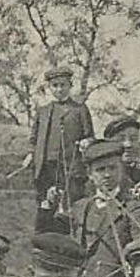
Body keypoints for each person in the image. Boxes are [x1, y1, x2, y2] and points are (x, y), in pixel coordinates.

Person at [67, 139, 133, 277]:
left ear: (122, 170)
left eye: (112, 168)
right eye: (100, 170)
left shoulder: (132, 207)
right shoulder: (79, 208)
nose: (107, 175)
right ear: (90, 174)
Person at [24, 67, 94, 228]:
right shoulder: (43, 111)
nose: (59, 89)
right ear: (49, 88)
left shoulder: (79, 109)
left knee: (71, 206)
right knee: (45, 205)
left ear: (70, 85)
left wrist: (86, 142)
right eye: (55, 86)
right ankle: (43, 240)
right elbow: (34, 138)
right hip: (46, 168)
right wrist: (30, 154)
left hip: (71, 168)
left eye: (63, 85)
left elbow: (90, 136)